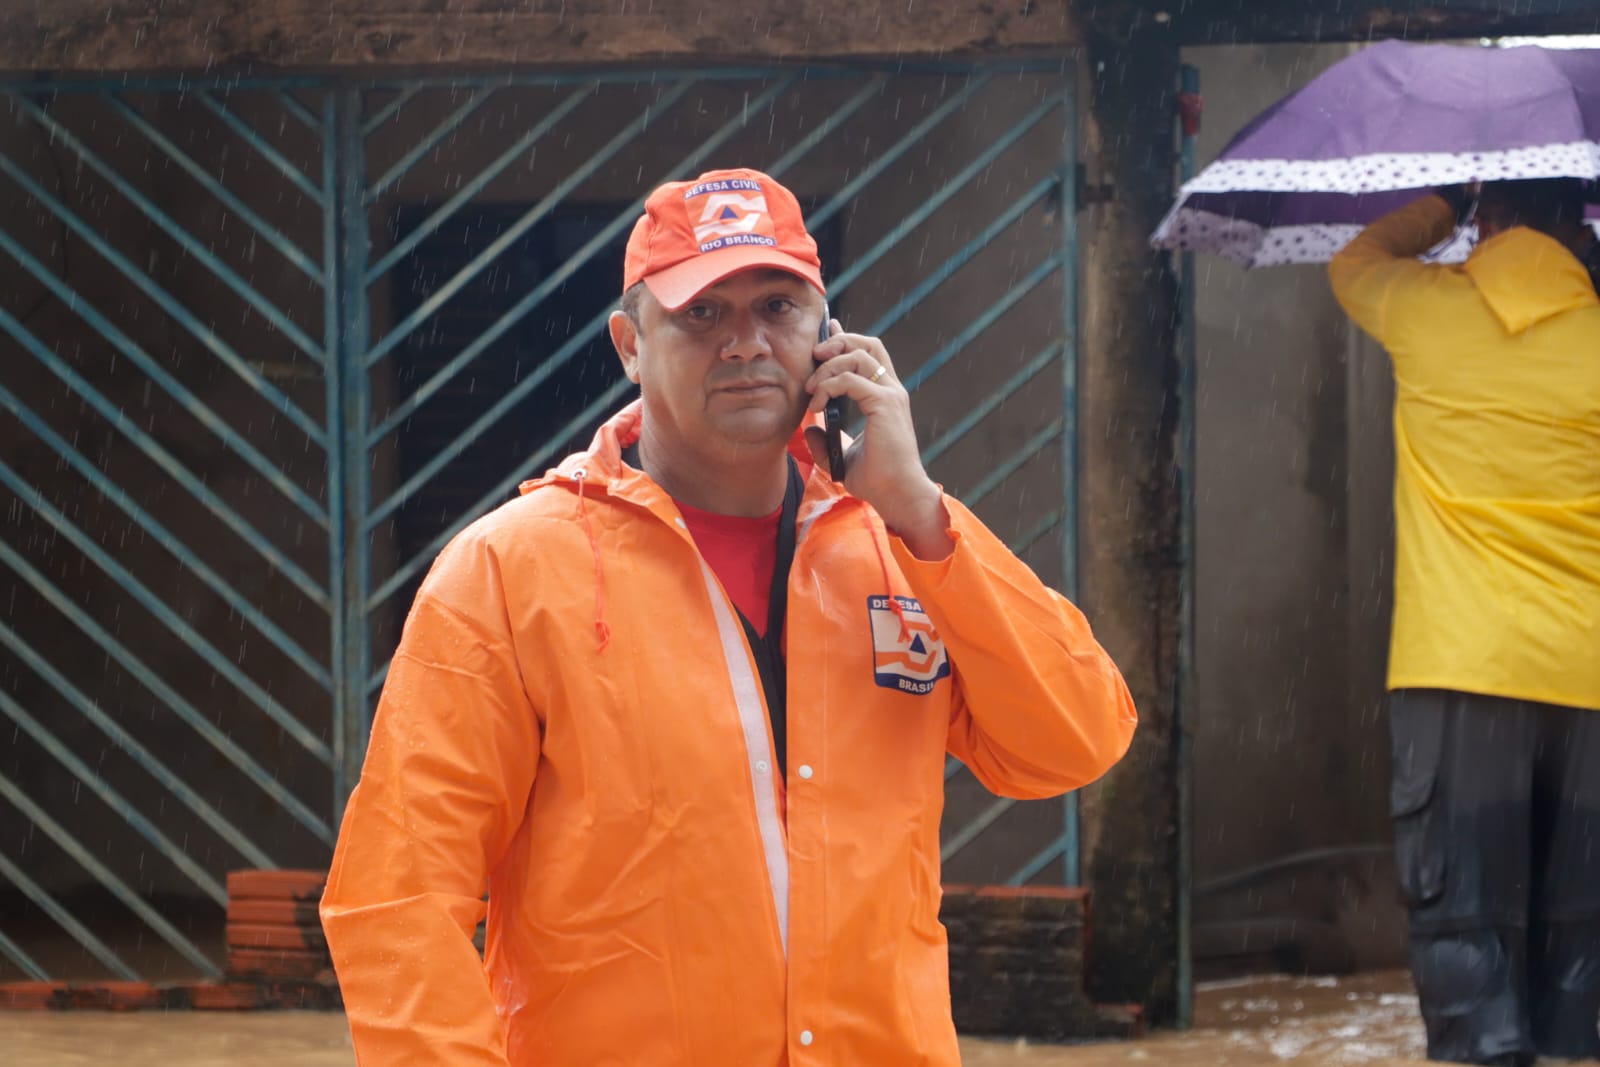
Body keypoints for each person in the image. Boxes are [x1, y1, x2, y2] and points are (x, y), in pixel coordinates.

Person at [320, 166, 1138, 1066]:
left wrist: (918, 508)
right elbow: (400, 898)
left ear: (829, 336)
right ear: (630, 344)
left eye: (777, 307)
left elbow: (1076, 740)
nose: (746, 342)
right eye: (702, 313)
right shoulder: (511, 573)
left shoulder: (901, 551)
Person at [1329, 179, 1600, 1067]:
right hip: (1590, 677)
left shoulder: (1426, 310)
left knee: (1464, 925)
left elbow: (1354, 263)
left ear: (1490, 223)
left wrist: (1443, 201)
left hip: (1460, 669)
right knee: (1581, 940)